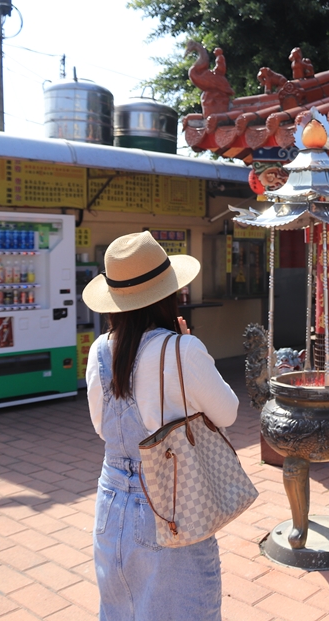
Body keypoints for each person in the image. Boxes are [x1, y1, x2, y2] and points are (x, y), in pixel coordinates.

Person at [82, 231, 239, 621]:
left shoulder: (100, 350)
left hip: (112, 503)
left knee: (120, 612)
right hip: (170, 505)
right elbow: (228, 412)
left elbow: (105, 430)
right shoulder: (181, 349)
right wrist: (191, 350)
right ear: (169, 296)